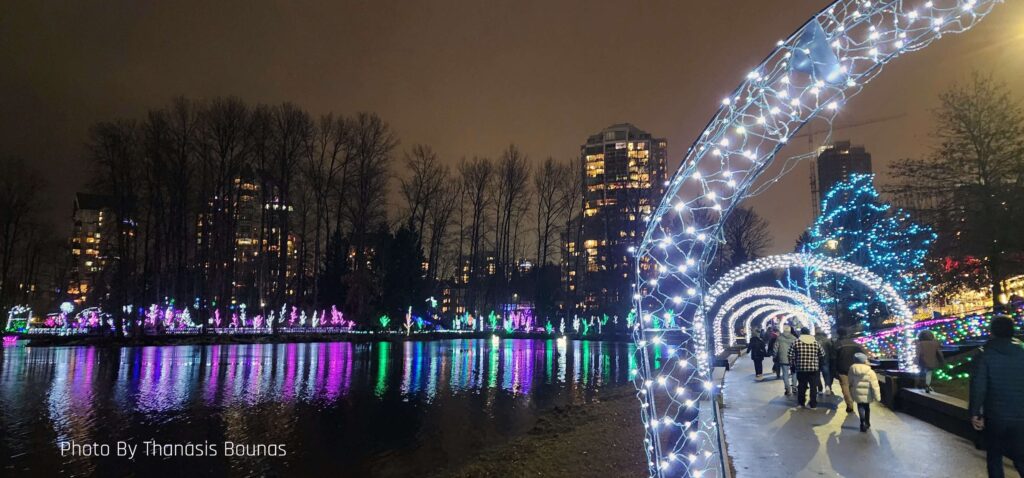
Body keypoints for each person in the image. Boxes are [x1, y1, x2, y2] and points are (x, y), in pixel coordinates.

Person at [969, 314, 1024, 478]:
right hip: (1021, 415)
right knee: (1021, 457)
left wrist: (974, 413)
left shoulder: (984, 354)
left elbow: (979, 387)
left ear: (992, 332)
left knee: (994, 457)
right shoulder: (1022, 353)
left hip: (995, 416)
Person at [834, 327, 870, 414]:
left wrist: (834, 370)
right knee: (853, 386)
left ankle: (850, 404)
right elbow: (863, 356)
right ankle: (854, 399)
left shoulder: (837, 344)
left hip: (842, 369)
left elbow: (834, 358)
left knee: (845, 386)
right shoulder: (855, 344)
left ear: (838, 334)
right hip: (855, 369)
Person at [789, 326, 825, 409]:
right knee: (813, 387)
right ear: (809, 333)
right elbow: (822, 354)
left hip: (801, 368)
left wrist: (793, 364)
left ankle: (801, 403)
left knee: (801, 386)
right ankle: (813, 404)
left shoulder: (796, 342)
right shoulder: (815, 342)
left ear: (801, 333)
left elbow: (790, 355)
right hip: (813, 368)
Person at [848, 352, 881, 432]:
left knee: (860, 407)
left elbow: (850, 381)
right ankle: (867, 423)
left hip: (857, 393)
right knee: (867, 408)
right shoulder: (870, 372)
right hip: (868, 394)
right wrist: (877, 397)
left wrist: (851, 390)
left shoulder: (852, 370)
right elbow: (875, 385)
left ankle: (862, 422)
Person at [774, 326, 798, 395]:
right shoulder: (794, 338)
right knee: (794, 373)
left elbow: (775, 348)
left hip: (783, 358)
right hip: (793, 359)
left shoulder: (779, 338)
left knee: (785, 374)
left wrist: (775, 356)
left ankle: (787, 389)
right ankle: (794, 388)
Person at [815, 330, 835, 396]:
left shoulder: (814, 340)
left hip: (816, 360)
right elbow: (831, 350)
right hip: (825, 359)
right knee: (826, 374)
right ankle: (827, 387)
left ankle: (820, 389)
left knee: (817, 375)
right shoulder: (827, 340)